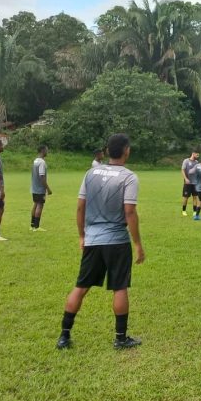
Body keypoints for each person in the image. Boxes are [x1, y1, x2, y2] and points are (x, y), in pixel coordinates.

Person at [56, 134, 145, 349]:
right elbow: (130, 211)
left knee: (81, 287)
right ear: (127, 151)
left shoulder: (91, 173)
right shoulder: (129, 177)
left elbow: (80, 207)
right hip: (117, 241)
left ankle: (64, 336)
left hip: (93, 239)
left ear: (106, 151)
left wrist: (82, 236)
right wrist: (138, 244)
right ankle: (120, 338)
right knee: (120, 287)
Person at [30, 145, 52, 232]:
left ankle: (32, 225)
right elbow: (42, 176)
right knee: (40, 205)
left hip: (34, 187)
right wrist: (48, 188)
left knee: (35, 204)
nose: (47, 152)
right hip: (39, 188)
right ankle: (36, 226)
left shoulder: (35, 161)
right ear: (43, 151)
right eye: (47, 150)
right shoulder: (42, 162)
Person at [181, 151, 200, 216]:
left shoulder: (197, 162)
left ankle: (194, 211)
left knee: (195, 197)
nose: (198, 157)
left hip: (195, 183)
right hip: (187, 183)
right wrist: (186, 179)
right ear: (193, 154)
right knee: (186, 197)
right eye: (197, 155)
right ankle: (183, 211)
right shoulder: (186, 161)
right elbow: (182, 170)